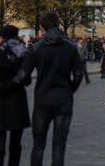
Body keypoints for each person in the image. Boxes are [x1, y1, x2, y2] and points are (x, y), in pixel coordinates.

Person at [22, 12, 85, 166]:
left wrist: (26, 81)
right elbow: (78, 75)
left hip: (43, 99)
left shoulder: (36, 47)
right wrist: (69, 89)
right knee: (59, 147)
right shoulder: (71, 47)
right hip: (63, 99)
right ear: (58, 25)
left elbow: (23, 75)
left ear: (42, 27)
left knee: (38, 145)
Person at [0, 24, 30, 166]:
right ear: (17, 35)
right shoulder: (24, 53)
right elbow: (26, 80)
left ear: (1, 37)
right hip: (17, 100)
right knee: (15, 144)